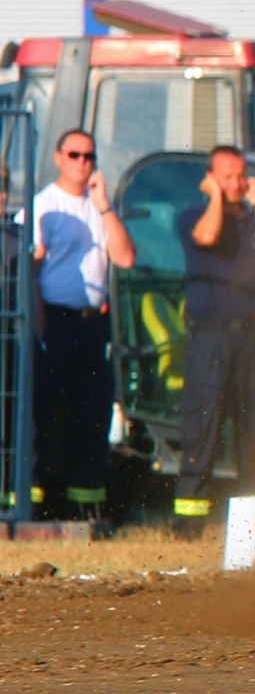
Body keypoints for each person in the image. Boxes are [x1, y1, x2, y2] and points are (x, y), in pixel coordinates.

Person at [173, 145, 255, 534]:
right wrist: (215, 197)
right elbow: (207, 236)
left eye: (240, 175)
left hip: (252, 339)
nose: (235, 183)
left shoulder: (253, 218)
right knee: (203, 425)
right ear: (210, 178)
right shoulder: (193, 214)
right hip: (211, 338)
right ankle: (190, 523)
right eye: (226, 175)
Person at [29, 130, 136, 522]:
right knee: (43, 411)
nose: (82, 162)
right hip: (53, 321)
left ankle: (84, 505)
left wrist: (105, 207)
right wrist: (39, 327)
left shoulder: (99, 207)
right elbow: (31, 271)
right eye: (74, 154)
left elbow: (125, 258)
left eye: (89, 156)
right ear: (59, 157)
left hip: (93, 325)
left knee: (91, 412)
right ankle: (38, 502)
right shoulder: (43, 205)